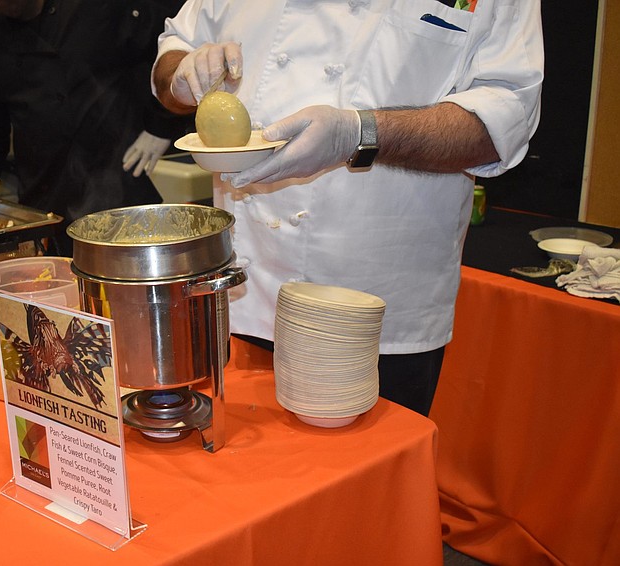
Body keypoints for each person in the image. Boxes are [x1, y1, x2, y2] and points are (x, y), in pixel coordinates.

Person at [152, 1, 544, 416]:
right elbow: (172, 54)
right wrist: (182, 74)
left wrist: (360, 134)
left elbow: (502, 121)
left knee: (363, 471)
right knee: (234, 470)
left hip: (374, 306)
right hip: (238, 296)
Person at [0, 0, 191, 256]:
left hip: (122, 195)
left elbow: (176, 45)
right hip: (43, 209)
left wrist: (162, 123)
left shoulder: (102, 8)